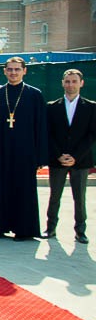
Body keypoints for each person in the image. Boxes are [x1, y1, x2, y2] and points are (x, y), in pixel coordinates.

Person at [0, 57, 48, 240]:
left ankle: (23, 230)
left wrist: (40, 157)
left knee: (23, 191)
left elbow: (41, 127)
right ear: (4, 71)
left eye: (17, 69)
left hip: (25, 154)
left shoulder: (35, 95)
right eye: (10, 69)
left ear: (24, 71)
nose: (13, 73)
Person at [45, 69, 96, 244]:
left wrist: (75, 156)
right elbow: (48, 133)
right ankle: (50, 228)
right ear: (62, 83)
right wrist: (59, 155)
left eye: (74, 81)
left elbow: (92, 135)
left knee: (79, 197)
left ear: (81, 83)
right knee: (54, 196)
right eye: (67, 81)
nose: (70, 85)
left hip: (80, 161)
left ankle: (80, 231)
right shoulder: (52, 106)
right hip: (57, 160)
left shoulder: (91, 107)